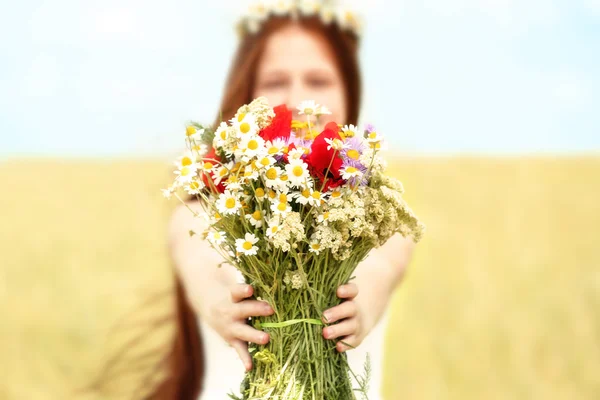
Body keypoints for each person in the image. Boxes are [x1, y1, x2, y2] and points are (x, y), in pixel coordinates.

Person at [152, 4, 416, 400]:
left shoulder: (381, 217)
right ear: (247, 93)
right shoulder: (201, 210)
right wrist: (222, 302)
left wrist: (361, 304)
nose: (296, 100)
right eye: (275, 82)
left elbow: (381, 267)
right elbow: (202, 267)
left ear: (350, 92)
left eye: (319, 80)